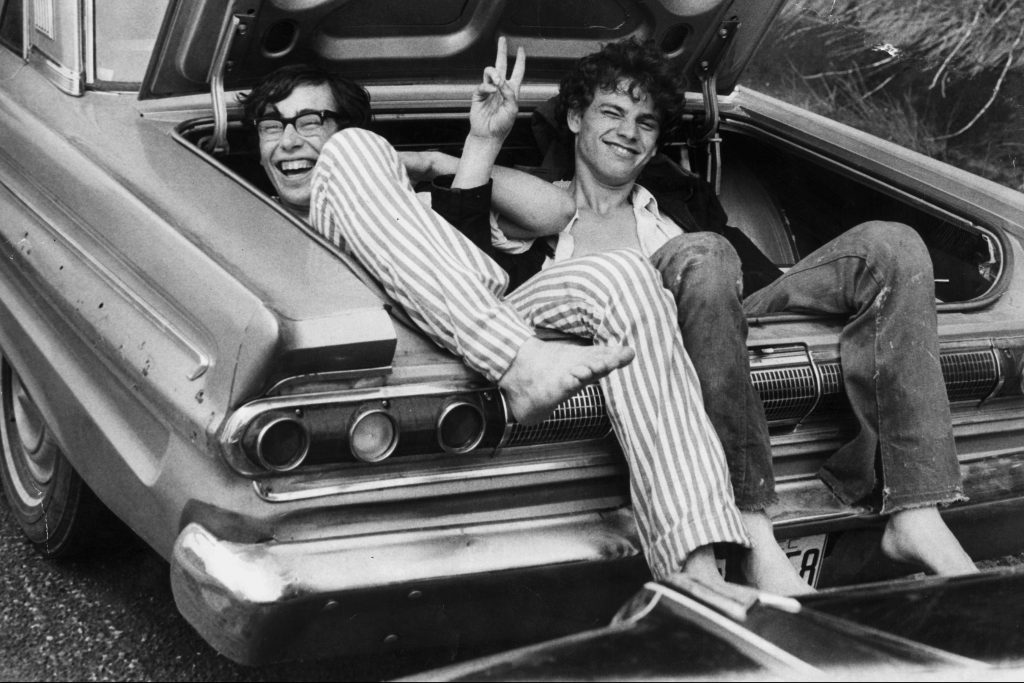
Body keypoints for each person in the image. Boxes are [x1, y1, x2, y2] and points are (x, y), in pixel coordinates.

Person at [416, 38, 977, 587]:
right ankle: (752, 525)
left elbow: (764, 280)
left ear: (657, 141)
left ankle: (916, 511)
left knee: (892, 245)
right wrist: (479, 141)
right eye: (611, 112)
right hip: (621, 352)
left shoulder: (680, 205)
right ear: (574, 121)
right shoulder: (538, 207)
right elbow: (465, 262)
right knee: (704, 252)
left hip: (721, 317)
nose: (628, 132)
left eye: (646, 122)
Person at [239, 46, 762, 591]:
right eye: (272, 125)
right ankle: (521, 361)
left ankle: (696, 569)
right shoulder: (244, 220)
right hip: (479, 350)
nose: (291, 139)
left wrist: (463, 150)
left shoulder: (399, 198)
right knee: (350, 158)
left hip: (484, 322)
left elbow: (557, 212)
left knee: (625, 274)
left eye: (311, 120)